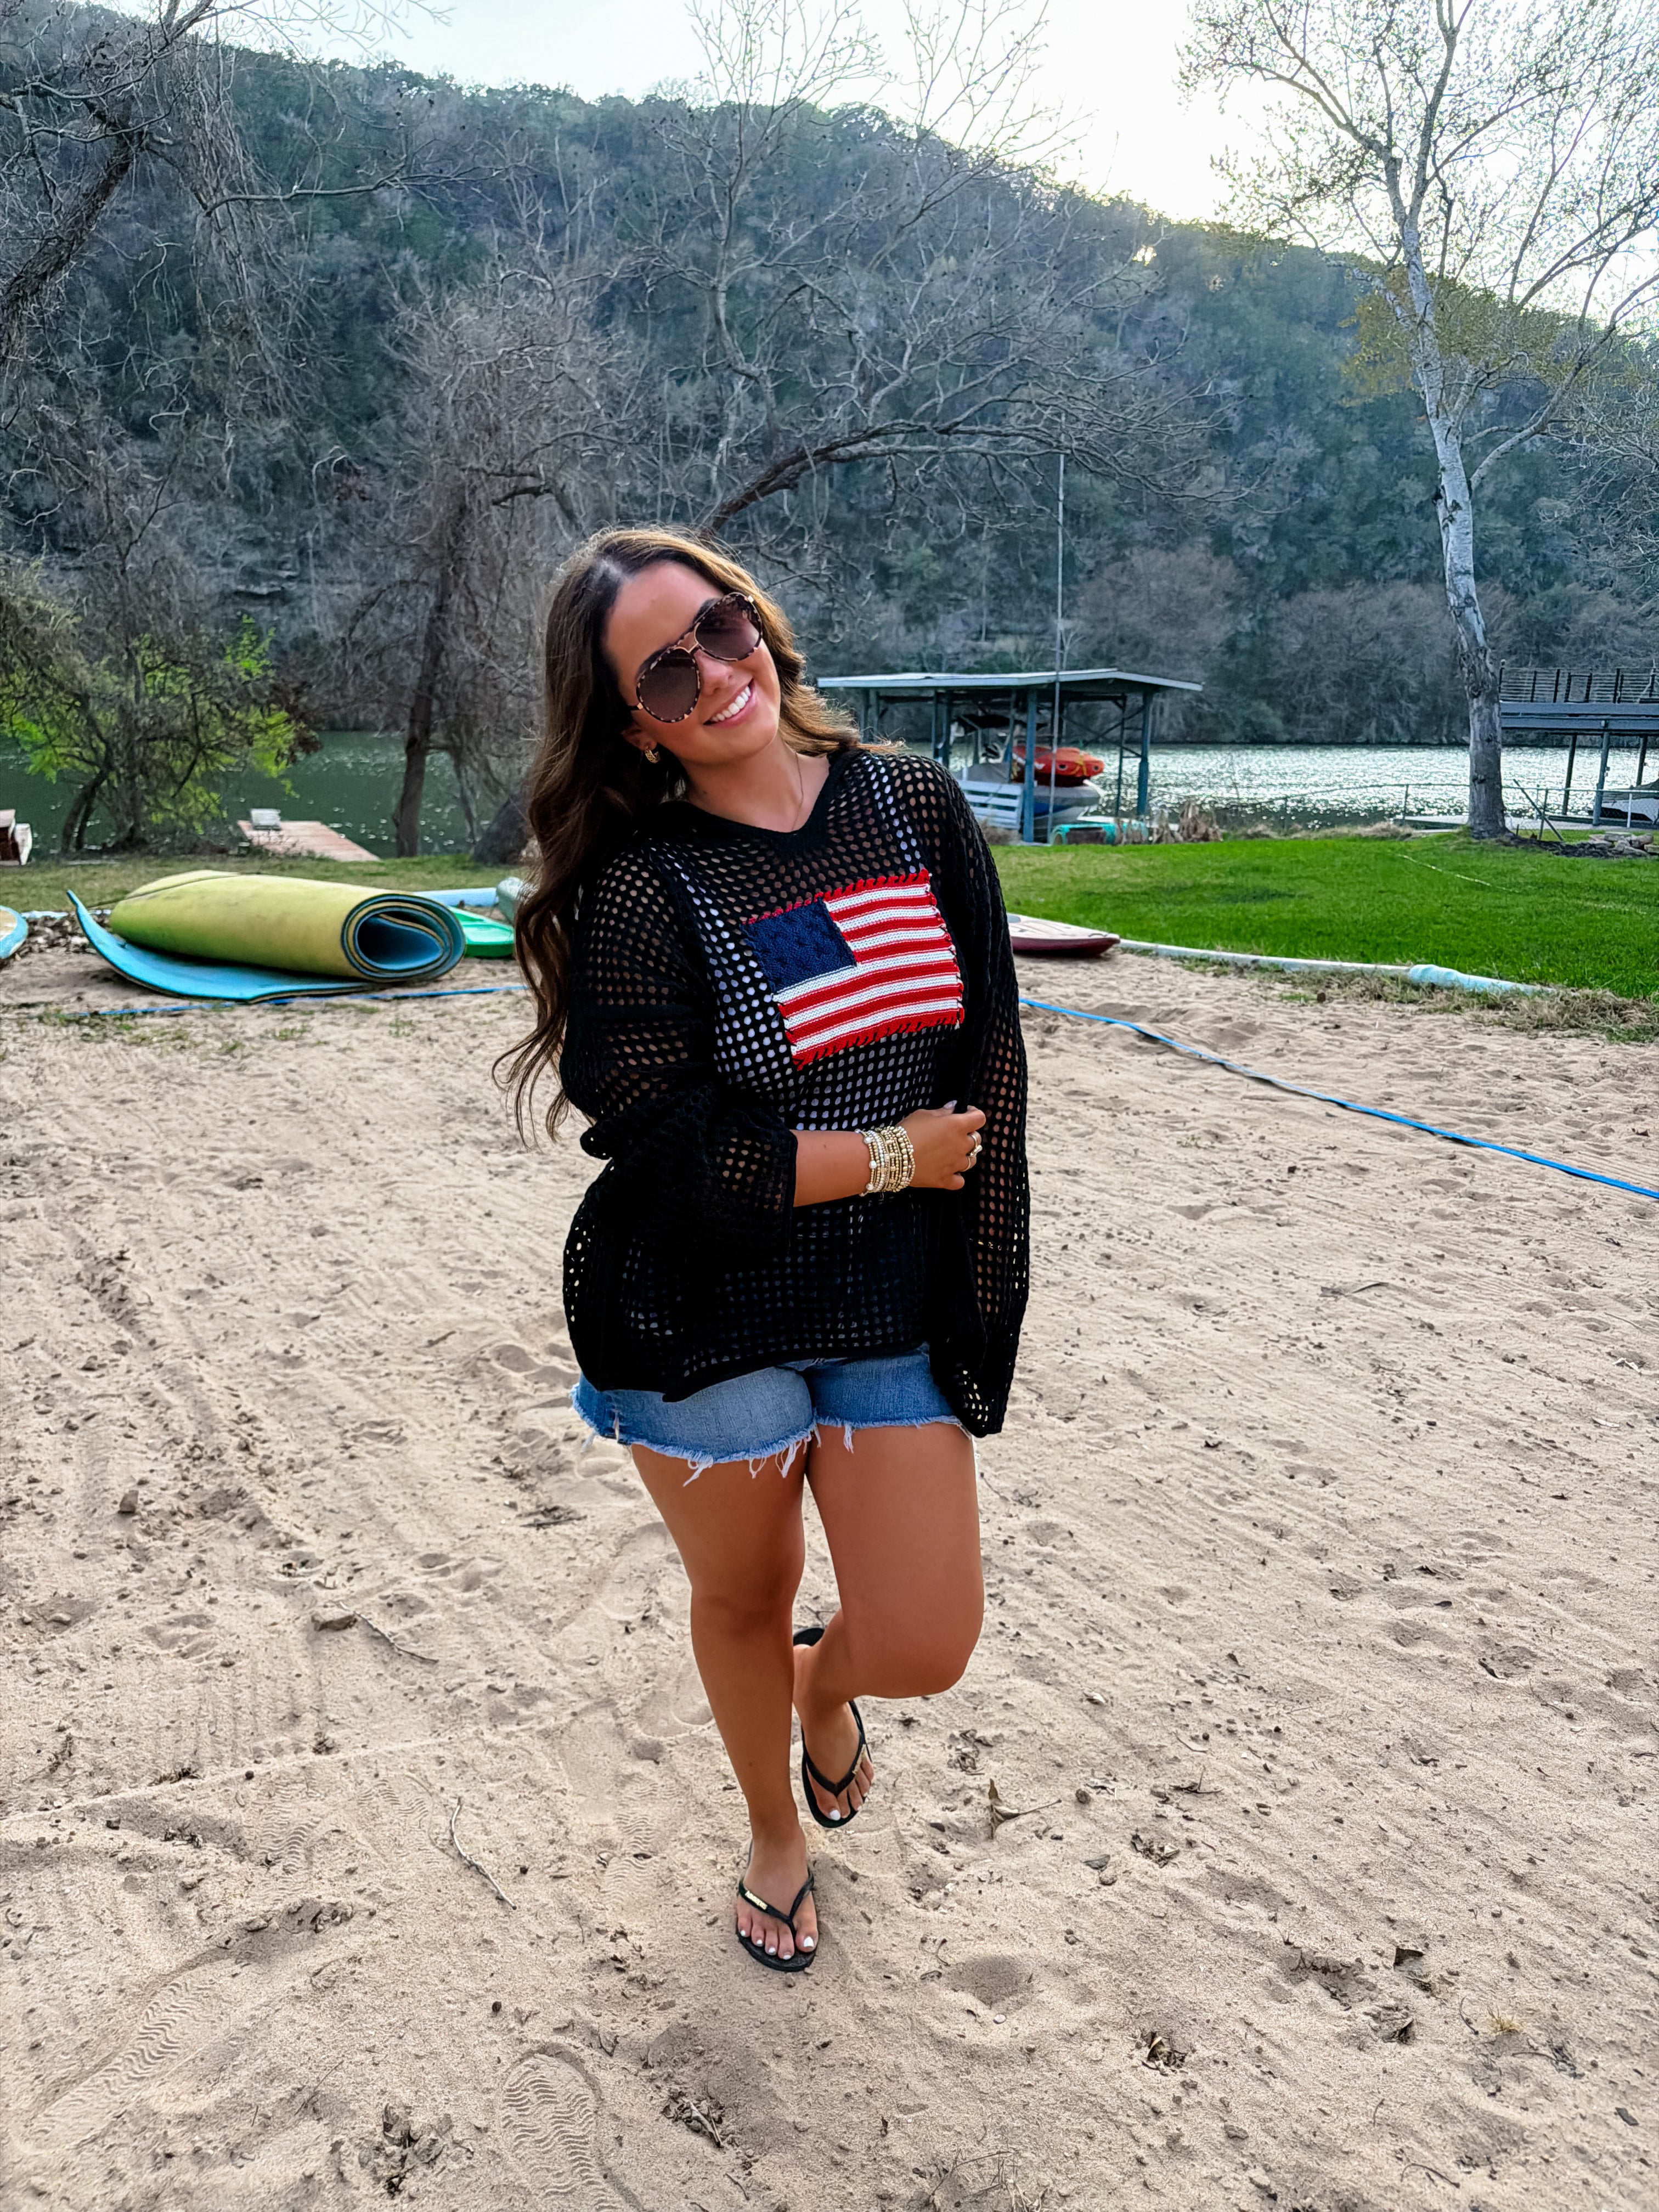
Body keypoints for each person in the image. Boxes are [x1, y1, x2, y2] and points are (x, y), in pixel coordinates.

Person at [505, 528, 1028, 1972]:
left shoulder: (911, 805)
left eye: (721, 630)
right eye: (665, 674)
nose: (714, 674)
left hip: (887, 1294)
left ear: (761, 626)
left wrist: (978, 1280)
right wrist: (888, 1159)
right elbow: (675, 1150)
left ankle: (825, 1688)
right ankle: (773, 1836)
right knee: (743, 1594)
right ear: (635, 724)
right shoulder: (642, 887)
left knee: (923, 1640)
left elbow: (989, 1051)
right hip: (701, 1308)